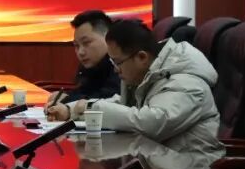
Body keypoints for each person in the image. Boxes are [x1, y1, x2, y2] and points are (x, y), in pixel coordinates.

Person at [48, 19, 223, 154]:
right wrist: (71, 110)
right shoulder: (152, 74)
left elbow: (152, 123)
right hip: (162, 168)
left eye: (117, 63)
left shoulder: (187, 82)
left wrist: (91, 108)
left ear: (141, 57)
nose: (115, 70)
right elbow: (125, 105)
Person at [45, 11, 121, 115]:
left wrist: (67, 102)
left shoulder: (120, 65)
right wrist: (64, 97)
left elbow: (106, 98)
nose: (80, 52)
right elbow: (85, 92)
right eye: (76, 45)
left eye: (86, 43)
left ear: (108, 38)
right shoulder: (92, 67)